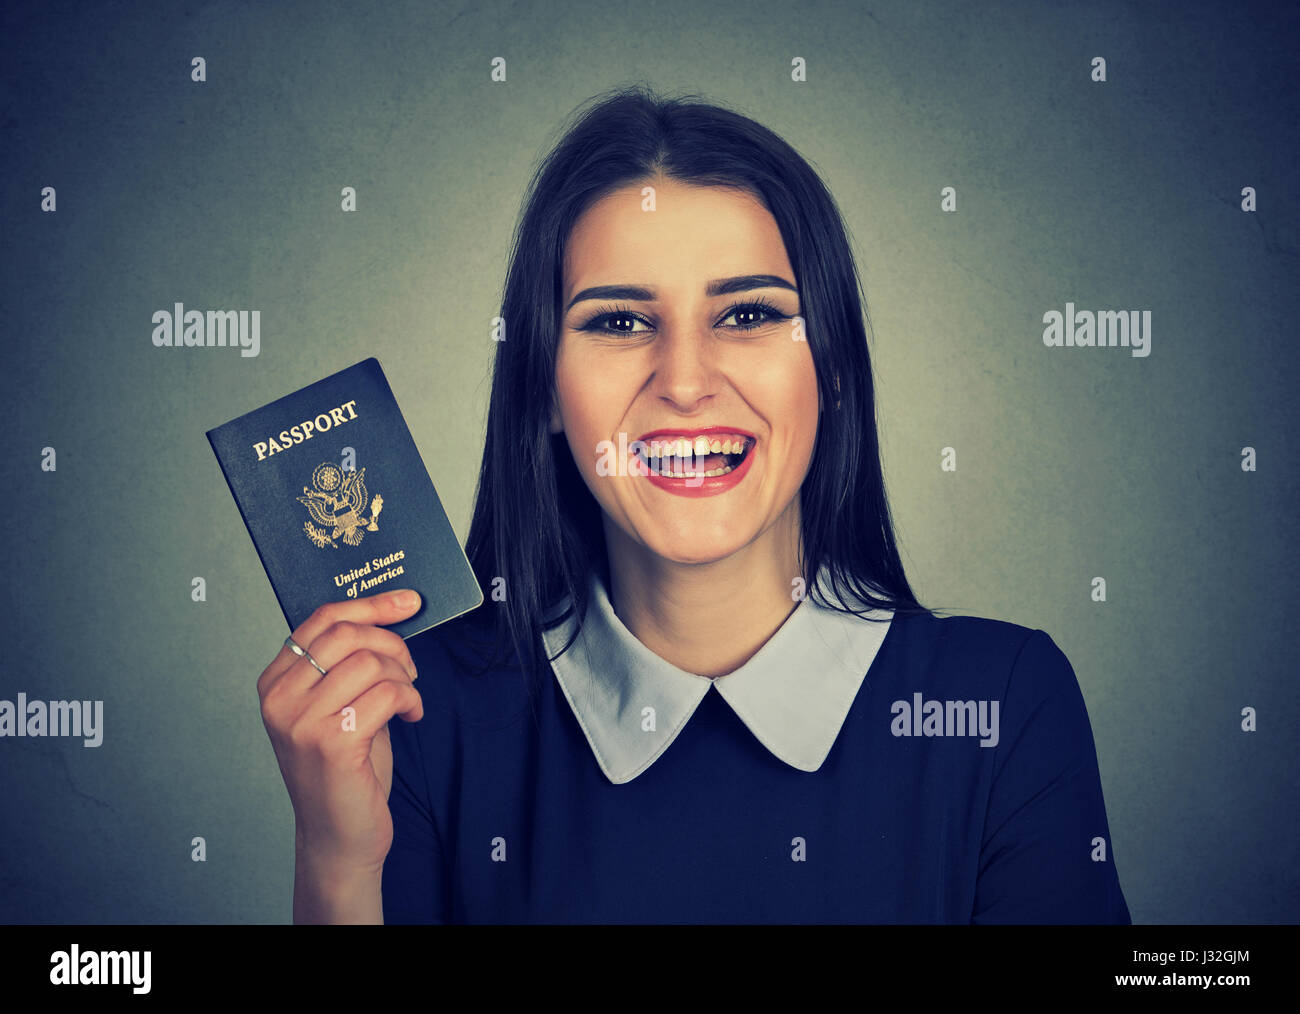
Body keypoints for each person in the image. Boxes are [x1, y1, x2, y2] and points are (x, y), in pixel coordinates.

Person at [257, 85, 1132, 924]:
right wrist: (337, 863)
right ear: (545, 395)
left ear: (830, 371)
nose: (683, 382)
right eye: (619, 323)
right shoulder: (414, 713)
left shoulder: (1004, 703)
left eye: (749, 314)